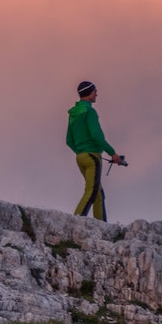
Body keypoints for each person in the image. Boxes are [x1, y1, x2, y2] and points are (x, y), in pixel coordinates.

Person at [65, 81, 125, 221]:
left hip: (80, 157)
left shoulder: (73, 114)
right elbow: (96, 136)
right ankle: (75, 223)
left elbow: (69, 140)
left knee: (98, 194)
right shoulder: (90, 111)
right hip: (92, 157)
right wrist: (113, 153)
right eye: (95, 91)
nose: (97, 94)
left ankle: (102, 226)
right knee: (91, 192)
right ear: (89, 93)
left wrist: (81, 151)